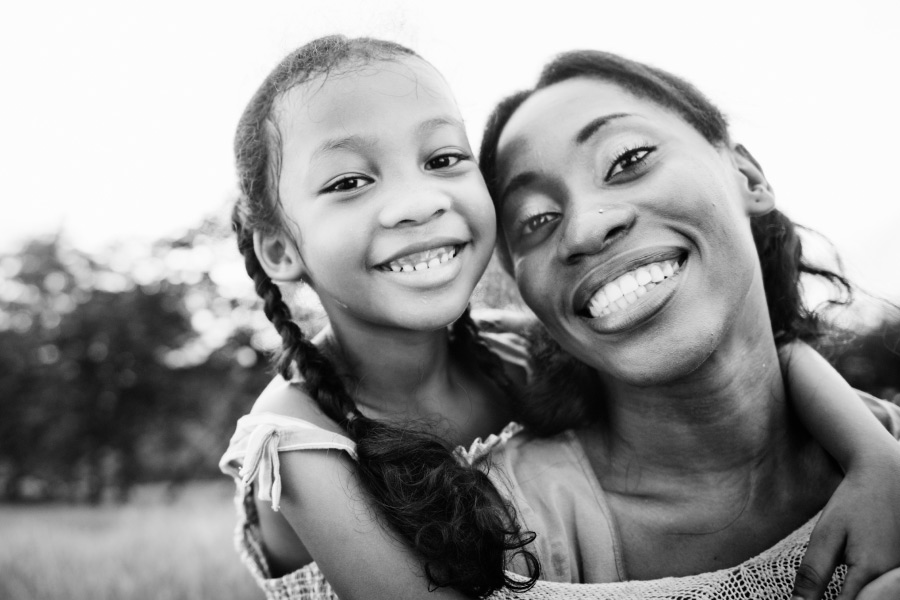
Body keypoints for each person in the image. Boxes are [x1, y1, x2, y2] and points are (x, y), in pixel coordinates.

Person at [219, 36, 900, 600]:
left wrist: (875, 455)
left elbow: (767, 360)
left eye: (443, 159)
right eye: (348, 182)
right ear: (279, 247)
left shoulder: (511, 351)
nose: (417, 201)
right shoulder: (297, 438)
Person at [476, 49, 900, 599]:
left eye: (627, 159)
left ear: (747, 177)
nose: (582, 229)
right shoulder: (501, 532)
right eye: (535, 219)